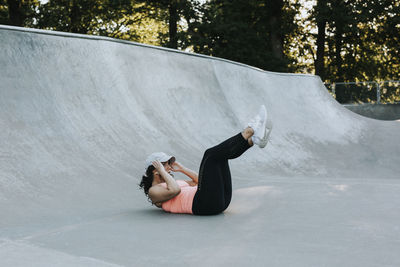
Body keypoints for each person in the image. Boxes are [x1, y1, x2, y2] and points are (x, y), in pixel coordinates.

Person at [139, 105, 272, 215]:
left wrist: (183, 169)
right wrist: (163, 171)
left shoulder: (174, 182)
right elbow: (175, 190)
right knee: (210, 154)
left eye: (168, 163)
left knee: (221, 157)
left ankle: (252, 140)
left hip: (219, 201)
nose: (169, 166)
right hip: (203, 205)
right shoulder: (154, 191)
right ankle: (251, 130)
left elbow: (200, 181)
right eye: (165, 164)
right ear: (155, 171)